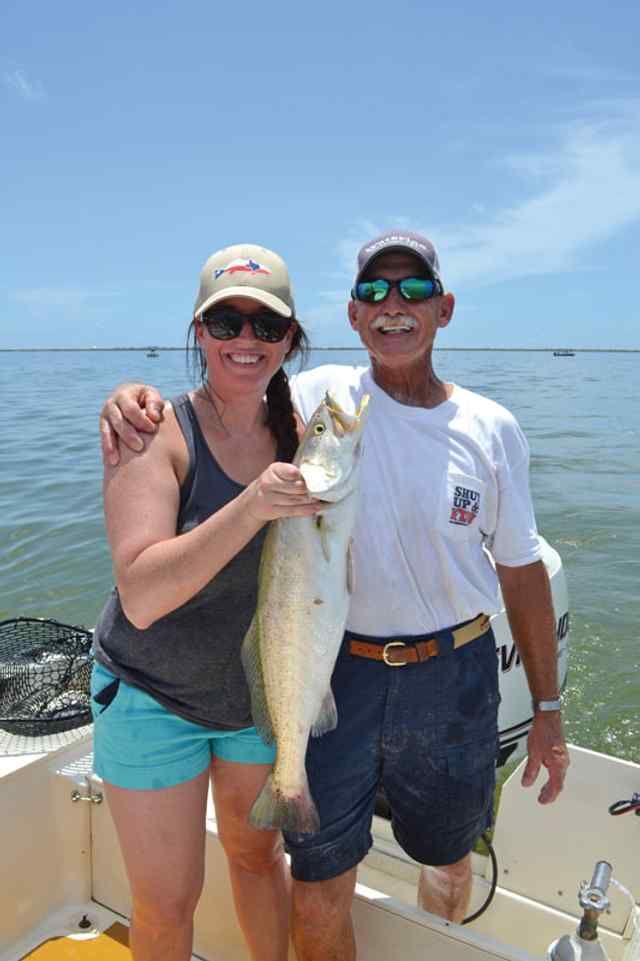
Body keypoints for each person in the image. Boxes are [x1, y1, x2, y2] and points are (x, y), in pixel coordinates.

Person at [100, 231, 570, 961]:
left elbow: (523, 570)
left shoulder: (488, 427)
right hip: (333, 667)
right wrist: (127, 399)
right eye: (374, 292)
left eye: (413, 290)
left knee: (448, 861)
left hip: (454, 676)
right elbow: (221, 406)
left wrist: (546, 707)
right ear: (351, 317)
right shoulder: (318, 400)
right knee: (310, 882)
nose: (393, 307)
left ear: (444, 309)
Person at [91, 242, 323, 961]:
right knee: (166, 900)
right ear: (199, 332)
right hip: (150, 695)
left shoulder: (304, 427)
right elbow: (141, 593)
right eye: (227, 323)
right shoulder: (155, 428)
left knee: (258, 860)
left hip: (257, 696)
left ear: (291, 339)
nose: (246, 340)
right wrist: (253, 505)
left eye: (267, 325)